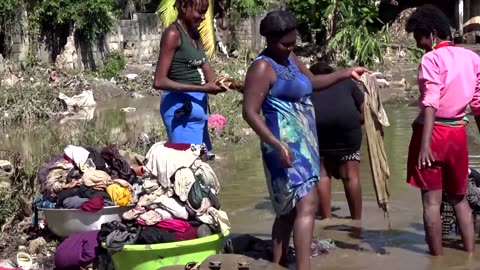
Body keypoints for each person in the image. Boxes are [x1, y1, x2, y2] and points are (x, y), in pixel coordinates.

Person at [242, 10, 368, 270]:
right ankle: (304, 266)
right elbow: (249, 112)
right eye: (284, 43)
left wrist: (345, 73)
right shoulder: (262, 67)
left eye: (292, 43)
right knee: (307, 203)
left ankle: (277, 263)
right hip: (283, 144)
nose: (289, 48)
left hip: (307, 142)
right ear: (269, 39)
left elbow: (313, 82)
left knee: (288, 211)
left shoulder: (290, 59)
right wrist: (277, 145)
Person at [405, 4, 480, 256]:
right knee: (459, 199)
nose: (418, 44)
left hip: (433, 134)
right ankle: (469, 256)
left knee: (431, 202)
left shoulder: (431, 59)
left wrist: (425, 145)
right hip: (458, 134)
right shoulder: (472, 58)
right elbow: (478, 105)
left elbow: (431, 102)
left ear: (433, 33)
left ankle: (435, 260)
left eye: (419, 37)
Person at [153, 0, 225, 152]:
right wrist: (203, 88)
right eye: (199, 12)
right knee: (186, 164)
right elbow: (159, 81)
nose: (203, 17)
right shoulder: (173, 34)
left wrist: (223, 83)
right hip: (181, 110)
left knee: (202, 162)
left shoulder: (194, 33)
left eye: (205, 13)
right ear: (184, 7)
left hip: (198, 108)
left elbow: (205, 67)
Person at [309, 62, 364, 221]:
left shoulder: (309, 84)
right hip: (347, 132)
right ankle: (356, 221)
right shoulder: (346, 82)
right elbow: (365, 110)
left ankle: (326, 220)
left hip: (319, 131)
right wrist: (353, 124)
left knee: (323, 175)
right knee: (351, 176)